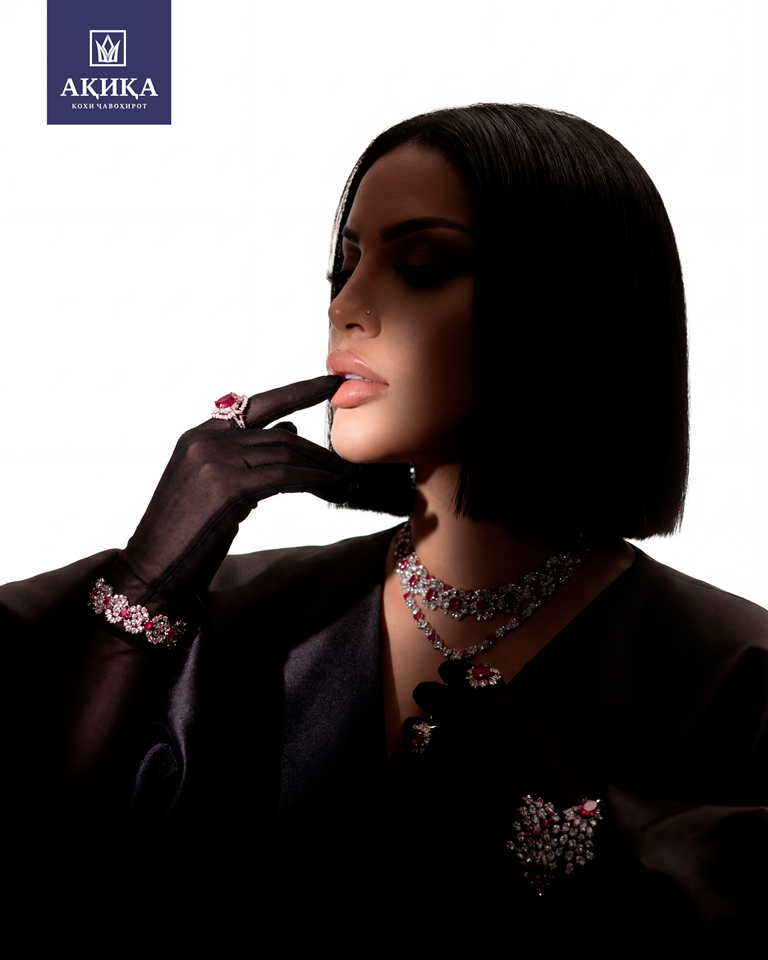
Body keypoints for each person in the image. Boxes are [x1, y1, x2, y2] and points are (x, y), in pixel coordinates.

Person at [2, 104, 766, 951]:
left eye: (423, 266)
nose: (348, 306)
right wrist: (141, 592)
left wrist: (598, 844)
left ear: (564, 306)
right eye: (345, 266)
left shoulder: (737, 675)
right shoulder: (212, 621)